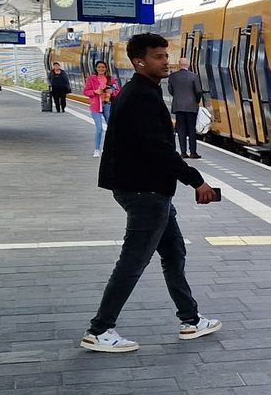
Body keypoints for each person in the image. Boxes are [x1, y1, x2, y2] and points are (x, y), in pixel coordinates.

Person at [81, 32, 223, 354]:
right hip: (144, 192)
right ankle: (99, 330)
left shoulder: (142, 91)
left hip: (147, 189)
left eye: (166, 55)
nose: (166, 62)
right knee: (133, 261)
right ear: (139, 61)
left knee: (173, 252)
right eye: (158, 57)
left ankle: (191, 319)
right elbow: (158, 150)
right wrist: (196, 181)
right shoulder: (141, 97)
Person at [83, 59, 120, 157]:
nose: (101, 69)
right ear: (96, 68)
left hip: (108, 105)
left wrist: (112, 92)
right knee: (99, 128)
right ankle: (97, 149)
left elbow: (118, 91)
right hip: (96, 106)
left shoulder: (111, 79)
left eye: (103, 67)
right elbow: (86, 91)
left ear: (106, 68)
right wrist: (94, 92)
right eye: (99, 67)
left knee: (111, 128)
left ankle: (109, 148)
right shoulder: (91, 79)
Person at [167, 56, 202, 159]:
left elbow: (170, 90)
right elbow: (198, 91)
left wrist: (178, 98)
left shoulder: (173, 76)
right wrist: (196, 101)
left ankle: (183, 152)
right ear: (188, 65)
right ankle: (193, 152)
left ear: (179, 65)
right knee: (191, 129)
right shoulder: (194, 76)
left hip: (178, 106)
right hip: (191, 107)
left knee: (181, 129)